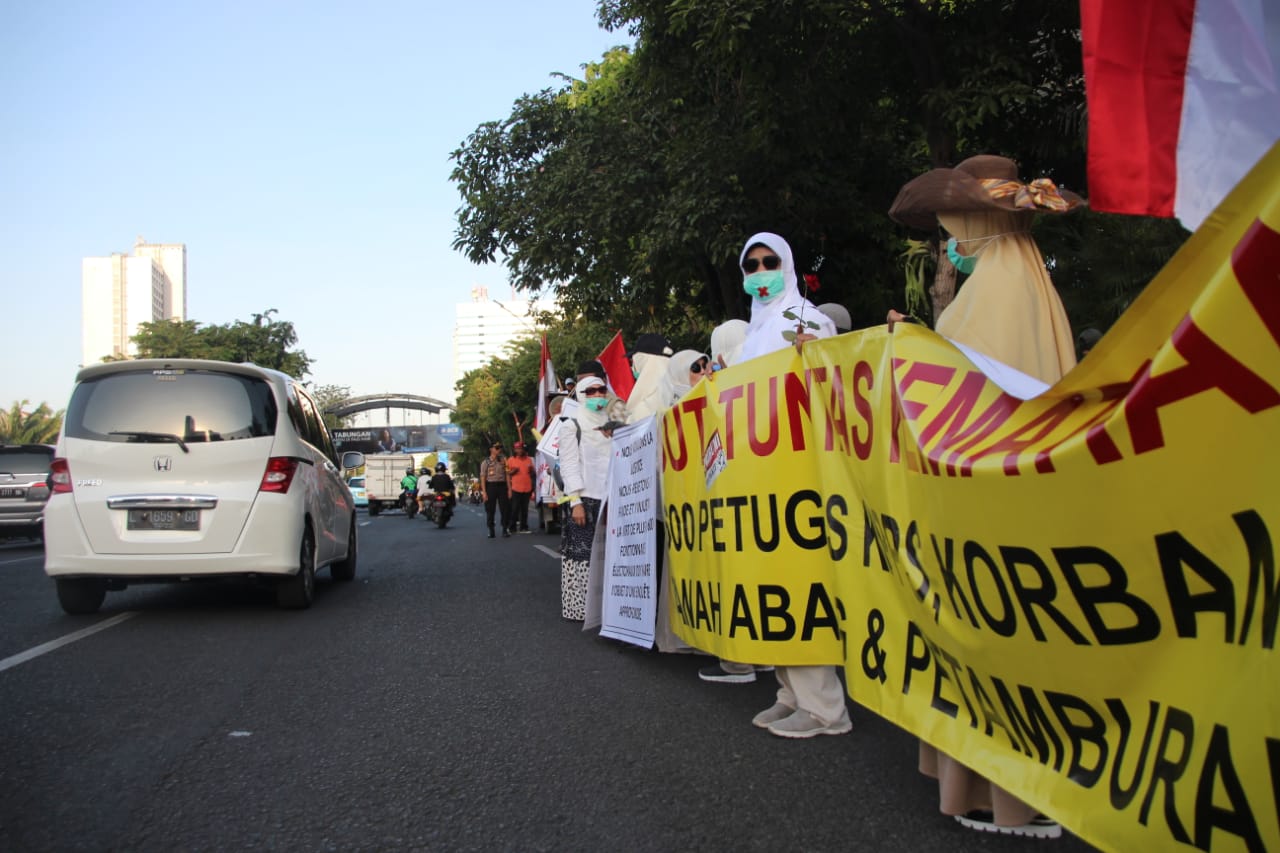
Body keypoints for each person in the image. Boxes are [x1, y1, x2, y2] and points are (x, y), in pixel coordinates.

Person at [887, 153, 1081, 838]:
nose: (950, 247)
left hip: (990, 503)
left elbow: (962, 388)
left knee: (991, 636)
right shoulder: (1025, 284)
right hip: (1027, 498)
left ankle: (1009, 799)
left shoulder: (994, 294)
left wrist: (908, 348)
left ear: (979, 224)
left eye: (954, 231)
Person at [724, 232, 847, 737]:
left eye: (769, 262)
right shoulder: (755, 332)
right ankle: (790, 692)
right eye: (751, 264)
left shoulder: (808, 320)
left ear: (787, 265)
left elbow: (835, 379)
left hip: (797, 477)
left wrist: (817, 354)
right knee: (771, 587)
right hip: (757, 478)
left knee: (799, 586)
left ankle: (826, 710)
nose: (759, 271)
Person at [556, 375, 614, 620]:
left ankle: (608, 609)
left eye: (602, 389)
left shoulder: (613, 423)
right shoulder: (572, 425)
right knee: (582, 556)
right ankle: (580, 608)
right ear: (580, 394)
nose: (598, 395)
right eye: (591, 391)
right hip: (586, 499)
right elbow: (568, 465)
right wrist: (575, 502)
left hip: (612, 498)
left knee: (609, 556)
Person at [479, 442, 512, 539]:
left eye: (500, 448)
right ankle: (491, 530)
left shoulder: (504, 461)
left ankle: (505, 529)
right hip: (491, 487)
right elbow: (483, 477)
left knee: (505, 509)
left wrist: (509, 489)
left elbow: (507, 475)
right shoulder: (486, 462)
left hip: (502, 486)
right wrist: (484, 492)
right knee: (490, 509)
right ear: (491, 449)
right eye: (497, 448)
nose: (499, 450)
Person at [506, 441, 535, 533]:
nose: (518, 450)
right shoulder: (510, 460)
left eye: (520, 448)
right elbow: (507, 473)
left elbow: (532, 472)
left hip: (527, 488)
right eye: (517, 449)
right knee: (515, 509)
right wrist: (513, 472)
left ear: (523, 449)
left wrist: (531, 471)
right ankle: (512, 527)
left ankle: (524, 527)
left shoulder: (529, 460)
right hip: (516, 488)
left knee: (524, 509)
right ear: (514, 450)